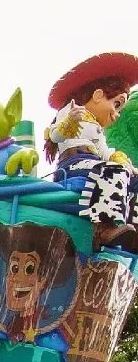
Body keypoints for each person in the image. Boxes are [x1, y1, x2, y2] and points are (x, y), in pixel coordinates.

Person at [45, 52, 138, 252]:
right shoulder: (72, 111)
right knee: (113, 171)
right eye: (116, 104)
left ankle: (134, 231)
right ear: (97, 95)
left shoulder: (97, 129)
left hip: (94, 164)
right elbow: (55, 136)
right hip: (74, 164)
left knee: (132, 179)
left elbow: (104, 152)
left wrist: (122, 160)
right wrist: (68, 124)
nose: (116, 114)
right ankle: (103, 228)